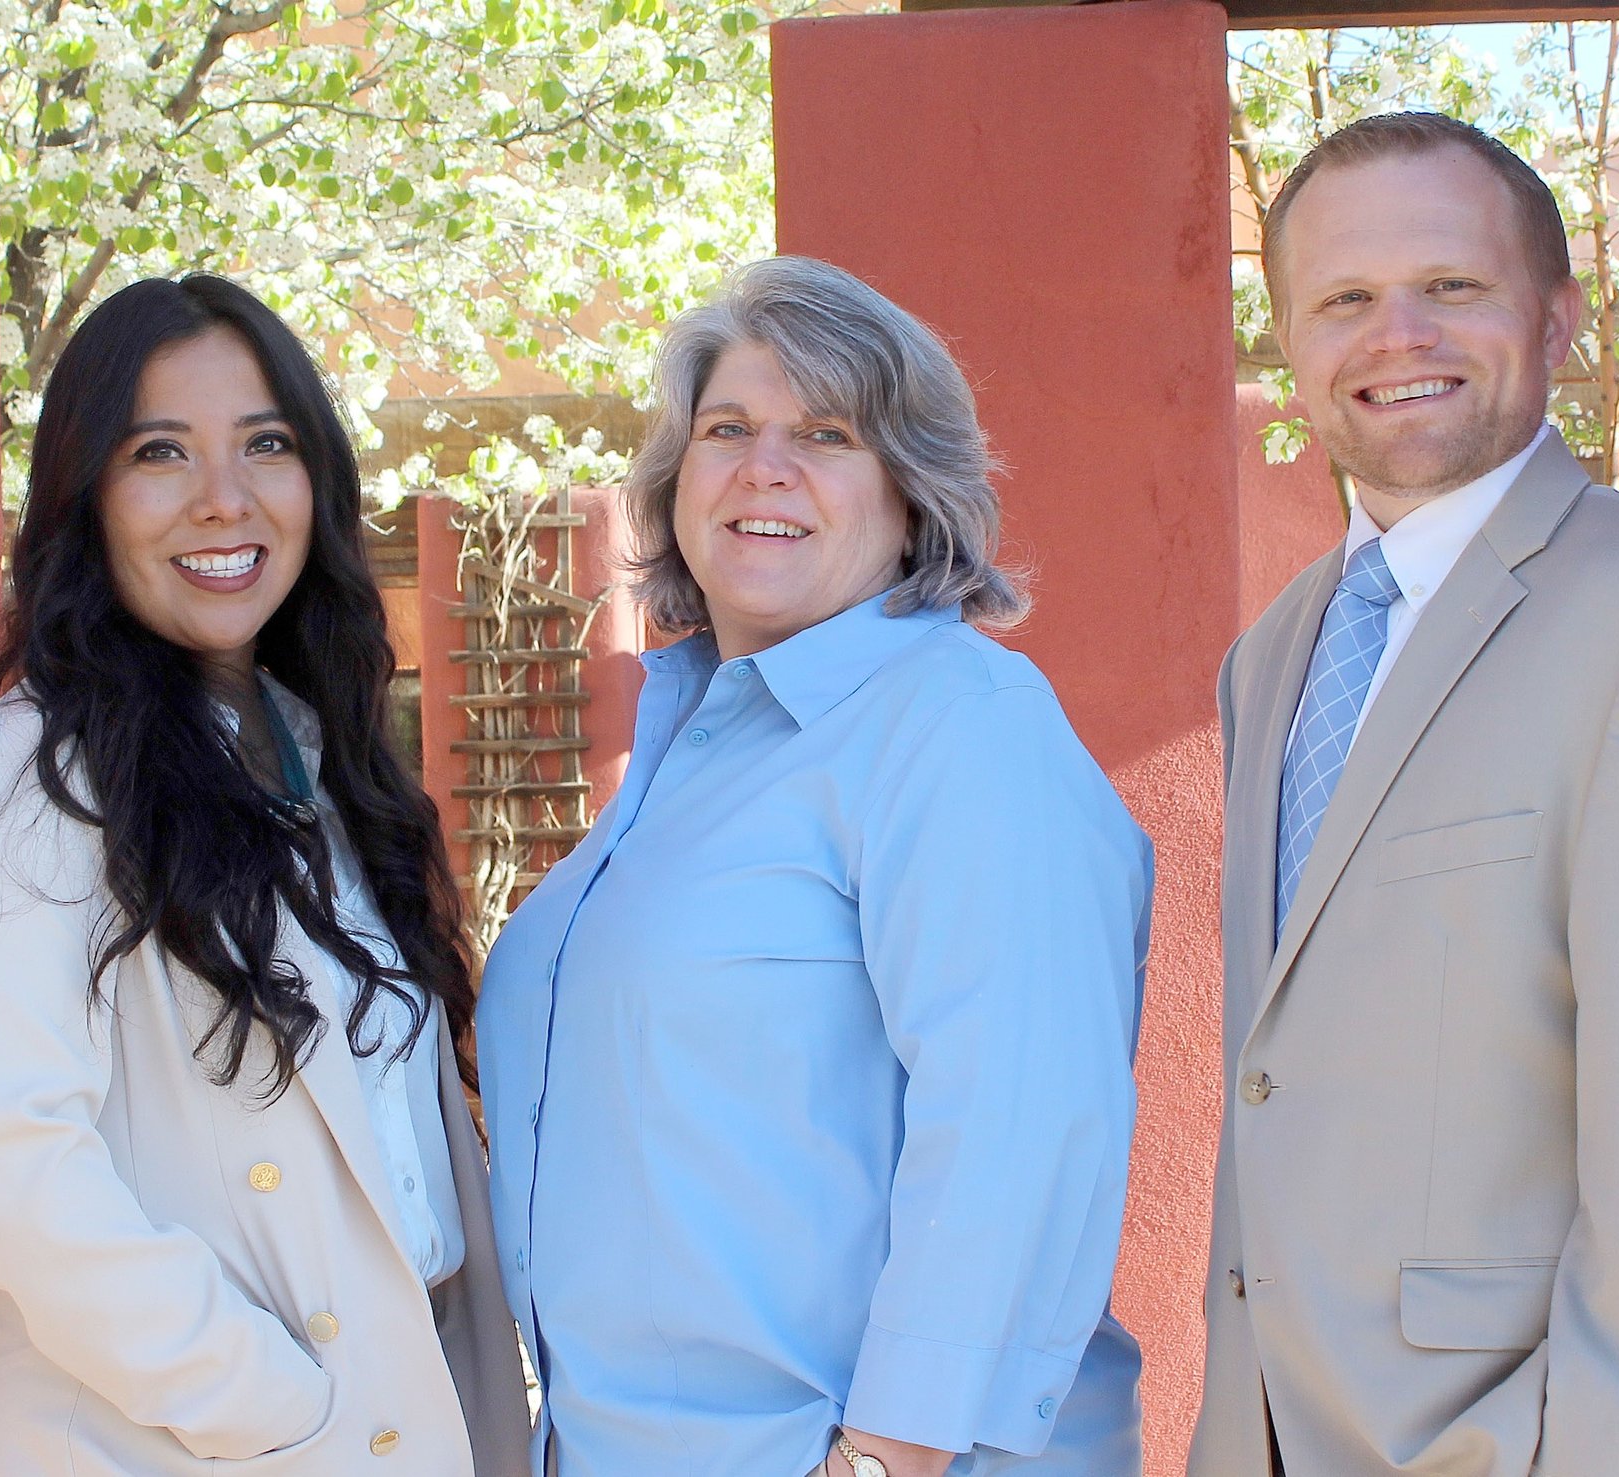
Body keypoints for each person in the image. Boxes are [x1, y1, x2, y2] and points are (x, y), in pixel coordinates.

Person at [1191, 112, 1619, 1477]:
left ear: (1557, 321)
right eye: (1346, 299)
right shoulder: (1275, 653)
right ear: (1293, 344)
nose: (1397, 335)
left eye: (1453, 288)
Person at [477, 255, 1153, 1477]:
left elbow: (1019, 1121)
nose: (763, 467)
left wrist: (883, 1458)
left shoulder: (955, 722)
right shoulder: (690, 744)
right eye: (726, 428)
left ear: (911, 492)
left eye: (827, 434)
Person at [0, 274, 531, 1476]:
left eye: (265, 444)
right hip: (176, 1439)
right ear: (87, 498)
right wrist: (259, 1396)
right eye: (160, 451)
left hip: (387, 1414)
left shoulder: (323, 760)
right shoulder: (37, 771)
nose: (224, 498)